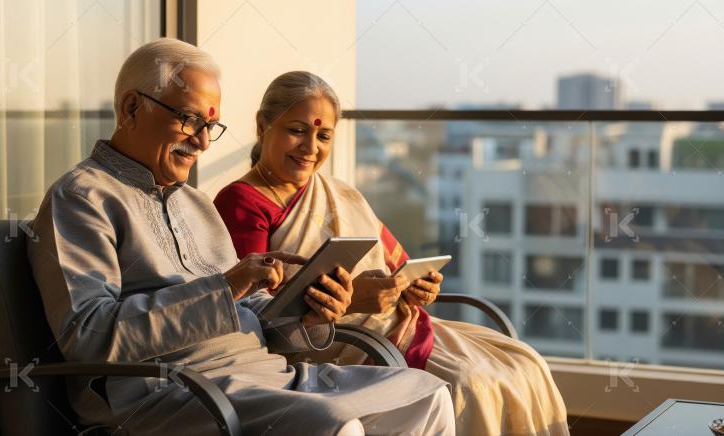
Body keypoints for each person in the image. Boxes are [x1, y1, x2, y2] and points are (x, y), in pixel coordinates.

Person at [27, 39, 455, 436]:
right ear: (131, 107)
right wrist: (227, 287)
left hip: (265, 376)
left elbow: (251, 317)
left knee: (426, 396)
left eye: (210, 126)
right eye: (190, 119)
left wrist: (310, 316)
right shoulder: (82, 198)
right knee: (335, 425)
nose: (202, 142)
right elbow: (89, 334)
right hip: (173, 391)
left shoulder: (195, 203)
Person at [214, 71, 570, 435]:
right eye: (297, 130)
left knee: (524, 364)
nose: (310, 148)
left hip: (401, 326)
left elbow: (398, 264)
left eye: (324, 136)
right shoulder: (241, 202)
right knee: (473, 385)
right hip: (333, 348)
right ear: (263, 126)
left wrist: (417, 286)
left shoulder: (341, 193)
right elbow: (255, 319)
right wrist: (352, 301)